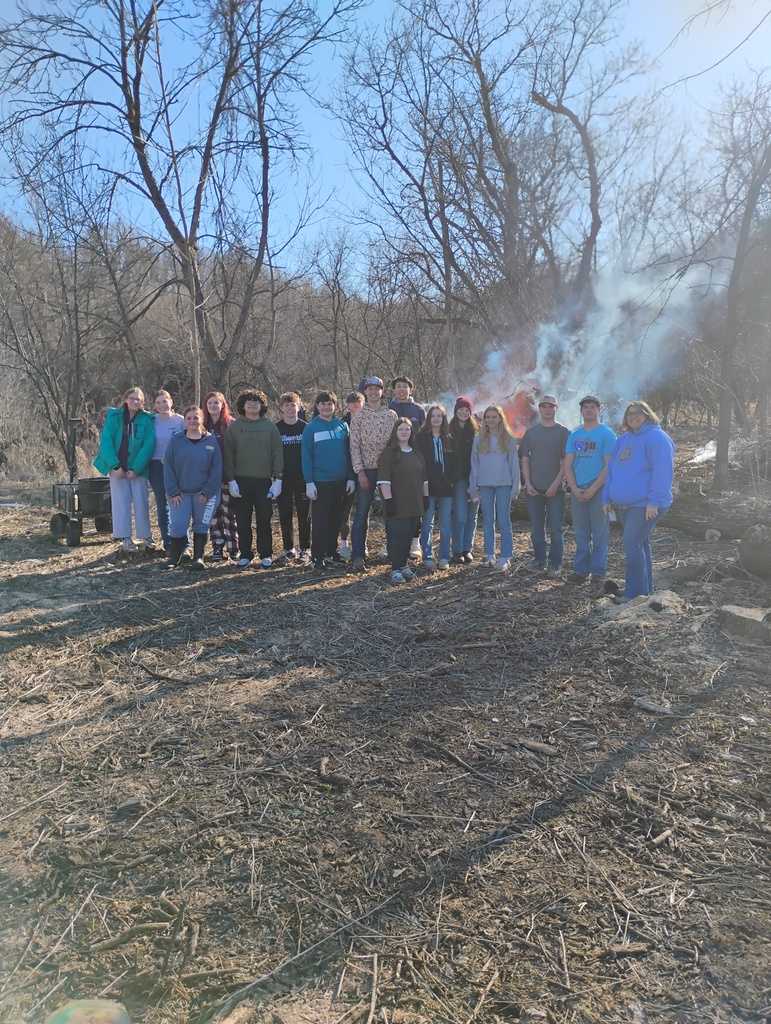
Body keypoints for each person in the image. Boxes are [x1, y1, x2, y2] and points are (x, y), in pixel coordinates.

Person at [602, 400, 675, 602]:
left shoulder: (657, 438)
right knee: (640, 543)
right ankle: (643, 588)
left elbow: (663, 472)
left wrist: (654, 501)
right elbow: (612, 470)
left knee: (632, 542)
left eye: (638, 412)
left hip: (646, 505)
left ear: (647, 414)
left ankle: (634, 594)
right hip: (625, 505)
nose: (633, 416)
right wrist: (606, 497)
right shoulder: (623, 439)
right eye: (629, 413)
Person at [223, 389, 283, 569]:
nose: (252, 404)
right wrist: (231, 480)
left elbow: (277, 453)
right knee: (243, 519)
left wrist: (278, 478)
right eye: (249, 402)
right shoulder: (235, 427)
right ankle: (246, 554)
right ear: (243, 405)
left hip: (263, 481)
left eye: (256, 401)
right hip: (241, 481)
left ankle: (265, 554)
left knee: (264, 518)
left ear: (261, 405)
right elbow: (228, 455)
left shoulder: (270, 427)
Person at [563, 395, 617, 589]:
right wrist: (574, 489)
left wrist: (594, 488)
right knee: (581, 532)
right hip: (578, 488)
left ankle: (598, 572)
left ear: (598, 410)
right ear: (581, 411)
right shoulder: (574, 435)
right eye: (585, 407)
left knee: (600, 532)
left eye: (592, 407)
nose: (588, 410)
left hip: (599, 489)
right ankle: (580, 571)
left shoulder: (607, 434)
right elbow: (567, 464)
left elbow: (609, 465)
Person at [93, 387, 156, 551]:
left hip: (138, 469)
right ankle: (125, 537)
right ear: (126, 399)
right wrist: (115, 466)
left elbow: (148, 446)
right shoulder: (114, 417)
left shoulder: (148, 419)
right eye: (132, 398)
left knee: (141, 502)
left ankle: (146, 537)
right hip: (118, 468)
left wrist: (136, 468)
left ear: (143, 402)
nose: (135, 401)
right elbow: (106, 442)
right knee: (121, 502)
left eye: (138, 399)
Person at [301, 391, 355, 571]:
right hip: (320, 482)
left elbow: (349, 455)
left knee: (336, 519)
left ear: (335, 406)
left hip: (341, 482)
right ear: (317, 406)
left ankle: (332, 553)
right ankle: (317, 556)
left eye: (329, 403)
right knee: (320, 521)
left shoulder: (342, 426)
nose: (326, 407)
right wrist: (309, 481)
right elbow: (306, 457)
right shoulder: (310, 428)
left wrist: (350, 478)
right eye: (323, 404)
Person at [163, 406, 223, 570]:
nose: (192, 421)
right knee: (177, 524)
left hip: (204, 494)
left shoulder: (210, 441)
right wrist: (173, 491)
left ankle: (198, 558)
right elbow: (168, 467)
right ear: (184, 420)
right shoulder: (176, 440)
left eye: (196, 418)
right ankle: (174, 559)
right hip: (180, 494)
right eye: (189, 418)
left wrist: (208, 492)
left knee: (201, 525)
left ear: (202, 419)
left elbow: (216, 468)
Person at [349, 377, 397, 571]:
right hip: (366, 470)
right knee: (362, 512)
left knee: (391, 511)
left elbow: (397, 444)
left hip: (388, 471)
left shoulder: (391, 415)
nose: (373, 392)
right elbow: (354, 445)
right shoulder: (359, 416)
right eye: (370, 389)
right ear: (365, 392)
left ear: (382, 392)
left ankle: (394, 551)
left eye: (377, 389)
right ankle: (358, 555)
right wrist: (360, 472)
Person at [520, 394, 570, 578]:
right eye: (544, 406)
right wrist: (528, 483)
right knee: (536, 527)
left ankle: (555, 563)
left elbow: (567, 461)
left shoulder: (564, 432)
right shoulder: (531, 433)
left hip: (555, 490)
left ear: (556, 408)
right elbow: (525, 458)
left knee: (556, 528)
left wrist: (556, 484)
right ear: (539, 409)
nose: (547, 409)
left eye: (551, 406)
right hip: (534, 489)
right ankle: (539, 558)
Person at [469, 404, 520, 571]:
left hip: (504, 484)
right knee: (488, 521)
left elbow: (514, 464)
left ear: (500, 419)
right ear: (484, 420)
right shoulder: (478, 439)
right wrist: (473, 487)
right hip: (485, 484)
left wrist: (515, 487)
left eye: (494, 417)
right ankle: (490, 554)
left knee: (504, 520)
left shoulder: (508, 439)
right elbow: (474, 464)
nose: (491, 420)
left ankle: (505, 556)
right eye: (488, 417)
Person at [377, 418, 429, 584]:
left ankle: (404, 564)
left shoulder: (416, 452)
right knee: (399, 534)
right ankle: (395, 569)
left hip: (414, 502)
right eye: (401, 429)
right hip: (396, 502)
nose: (404, 432)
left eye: (407, 429)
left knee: (408, 534)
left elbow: (424, 478)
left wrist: (425, 497)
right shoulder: (389, 453)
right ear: (395, 432)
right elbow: (384, 480)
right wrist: (389, 500)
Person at [416, 405, 456, 569]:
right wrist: (427, 480)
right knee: (427, 522)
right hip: (428, 486)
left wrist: (449, 479)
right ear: (429, 418)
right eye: (433, 416)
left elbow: (455, 463)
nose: (436, 419)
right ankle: (427, 556)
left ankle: (444, 556)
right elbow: (420, 462)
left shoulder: (450, 438)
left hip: (446, 487)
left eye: (439, 416)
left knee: (446, 522)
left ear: (444, 418)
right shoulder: (421, 438)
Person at [202, 391, 239, 561]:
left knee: (229, 513)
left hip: (227, 476)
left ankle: (233, 548)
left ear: (223, 404)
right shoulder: (202, 425)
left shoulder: (231, 424)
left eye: (216, 403)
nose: (213, 406)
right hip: (208, 478)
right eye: (210, 403)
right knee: (213, 514)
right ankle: (217, 546)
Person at [148, 391, 185, 554]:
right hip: (156, 466)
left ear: (171, 402)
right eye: (158, 403)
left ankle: (184, 544)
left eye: (164, 401)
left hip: (177, 466)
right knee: (163, 506)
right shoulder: (151, 421)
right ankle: (168, 543)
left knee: (179, 503)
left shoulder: (181, 420)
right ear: (154, 405)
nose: (162, 405)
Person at [275, 392, 311, 562]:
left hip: (303, 478)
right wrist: (275, 477)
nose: (290, 408)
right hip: (283, 478)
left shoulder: (306, 427)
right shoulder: (276, 428)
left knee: (304, 514)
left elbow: (311, 453)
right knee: (285, 513)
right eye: (286, 405)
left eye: (293, 405)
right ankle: (289, 548)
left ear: (299, 407)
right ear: (281, 408)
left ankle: (305, 549)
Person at [449, 397, 479, 564]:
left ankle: (468, 549)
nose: (463, 412)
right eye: (461, 409)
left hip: (475, 477)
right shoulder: (449, 430)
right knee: (460, 515)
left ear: (470, 412)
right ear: (456, 410)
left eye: (466, 410)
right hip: (458, 479)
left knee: (472, 515)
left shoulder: (475, 431)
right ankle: (457, 550)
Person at [339, 391, 364, 559]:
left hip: (365, 470)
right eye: (352, 401)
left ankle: (362, 544)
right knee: (344, 509)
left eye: (358, 401)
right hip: (347, 471)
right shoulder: (341, 424)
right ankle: (344, 543)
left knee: (363, 510)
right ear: (347, 404)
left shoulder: (369, 420)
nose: (355, 404)